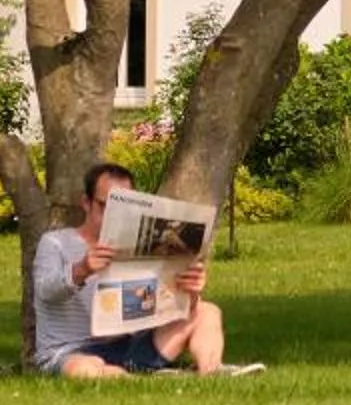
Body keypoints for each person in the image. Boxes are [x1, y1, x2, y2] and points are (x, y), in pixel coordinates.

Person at [32, 161, 257, 378]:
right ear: (86, 203)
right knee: (85, 369)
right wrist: (83, 269)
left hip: (129, 345)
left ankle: (210, 374)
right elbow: (44, 291)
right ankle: (136, 377)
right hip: (71, 351)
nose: (113, 215)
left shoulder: (140, 245)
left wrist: (190, 292)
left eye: (122, 207)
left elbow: (158, 305)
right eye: (105, 206)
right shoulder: (55, 243)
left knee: (208, 312)